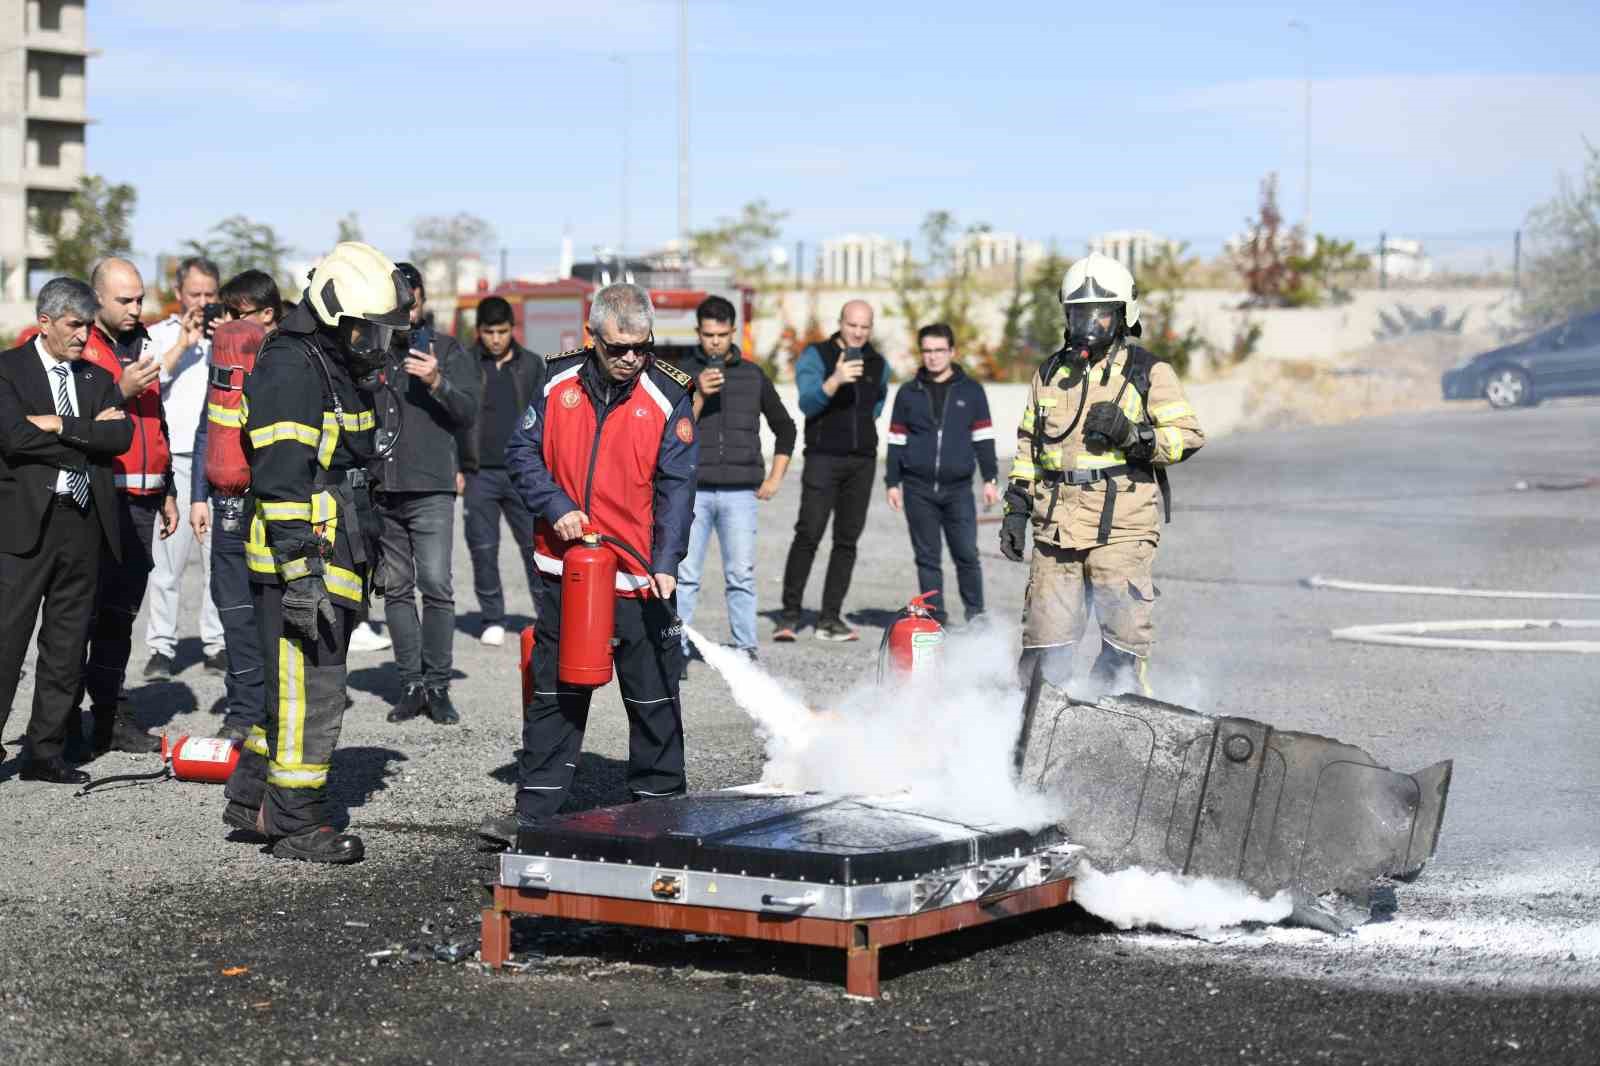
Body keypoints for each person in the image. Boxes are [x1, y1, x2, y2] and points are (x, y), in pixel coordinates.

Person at [477, 283, 696, 848]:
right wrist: (558, 508)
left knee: (654, 701)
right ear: (591, 337)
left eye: (641, 347)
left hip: (640, 582)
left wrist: (668, 560)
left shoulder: (669, 397)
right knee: (555, 696)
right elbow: (520, 454)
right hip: (567, 577)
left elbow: (677, 489)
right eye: (618, 347)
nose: (630, 359)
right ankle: (536, 816)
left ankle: (660, 815)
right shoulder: (555, 383)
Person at [220, 241, 411, 864]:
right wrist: (300, 572)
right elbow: (280, 479)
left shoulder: (331, 364)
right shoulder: (293, 368)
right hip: (301, 559)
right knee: (312, 689)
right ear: (333, 313)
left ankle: (252, 801)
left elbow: (352, 463)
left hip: (336, 549)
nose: (374, 343)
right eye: (366, 330)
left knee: (289, 687)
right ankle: (296, 823)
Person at [1000, 253, 1205, 695]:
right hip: (1056, 531)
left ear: (1123, 315)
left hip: (1121, 531)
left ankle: (1121, 742)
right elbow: (1027, 446)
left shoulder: (1147, 371)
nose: (1086, 325)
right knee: (1042, 654)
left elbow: (1187, 437)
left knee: (1121, 651)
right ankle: (1031, 743)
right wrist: (1016, 508)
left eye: (1099, 315)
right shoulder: (1051, 373)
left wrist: (1134, 436)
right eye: (1077, 315)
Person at [0, 278, 134, 783]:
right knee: (6, 639)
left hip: (82, 524)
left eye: (87, 326)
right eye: (74, 326)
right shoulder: (7, 370)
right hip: (22, 527)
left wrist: (57, 425)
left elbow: (119, 436)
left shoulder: (97, 378)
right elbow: (12, 439)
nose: (82, 336)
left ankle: (45, 752)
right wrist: (87, 435)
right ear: (45, 323)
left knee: (66, 643)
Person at [74, 259, 178, 756]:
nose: (137, 309)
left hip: (142, 502)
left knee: (120, 616)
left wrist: (170, 489)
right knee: (80, 617)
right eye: (125, 300)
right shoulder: (80, 349)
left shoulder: (145, 345)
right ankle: (62, 722)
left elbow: (157, 422)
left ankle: (110, 716)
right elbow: (69, 423)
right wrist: (120, 390)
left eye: (140, 298)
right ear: (97, 302)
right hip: (96, 501)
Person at [374, 262, 478, 726]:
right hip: (384, 487)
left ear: (420, 297)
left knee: (435, 585)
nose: (403, 308)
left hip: (432, 486)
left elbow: (469, 412)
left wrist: (437, 381)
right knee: (395, 589)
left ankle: (437, 686)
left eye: (408, 299)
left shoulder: (449, 350)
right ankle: (410, 684)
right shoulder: (369, 350)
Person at [676, 295, 796, 672]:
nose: (714, 342)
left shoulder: (752, 375)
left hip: (741, 492)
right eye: (708, 334)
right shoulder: (681, 374)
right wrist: (697, 397)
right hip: (693, 491)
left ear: (734, 333)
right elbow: (670, 433)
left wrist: (775, 477)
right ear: (698, 332)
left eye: (722, 334)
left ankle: (745, 648)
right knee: (684, 576)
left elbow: (786, 428)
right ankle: (674, 649)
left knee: (741, 574)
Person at [190, 269, 284, 743]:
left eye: (237, 313)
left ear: (269, 315)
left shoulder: (291, 360)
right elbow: (208, 426)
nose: (225, 322)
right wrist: (197, 497)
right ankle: (243, 708)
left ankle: (274, 708)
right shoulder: (224, 353)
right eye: (225, 313)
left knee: (270, 612)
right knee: (232, 609)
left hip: (272, 507)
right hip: (227, 501)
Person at [775, 300, 889, 642]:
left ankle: (830, 618)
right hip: (823, 458)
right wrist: (835, 379)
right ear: (839, 322)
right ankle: (790, 615)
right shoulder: (816, 355)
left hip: (862, 462)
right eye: (852, 325)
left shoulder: (878, 363)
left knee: (847, 541)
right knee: (809, 533)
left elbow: (878, 405)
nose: (858, 332)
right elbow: (807, 403)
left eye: (864, 326)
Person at [884, 323, 998, 626]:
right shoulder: (908, 393)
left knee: (966, 555)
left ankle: (976, 617)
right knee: (927, 558)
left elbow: (983, 437)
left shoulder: (972, 391)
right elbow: (896, 440)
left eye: (938, 350)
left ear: (951, 352)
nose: (932, 357)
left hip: (958, 489)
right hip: (917, 488)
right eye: (927, 351)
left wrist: (990, 478)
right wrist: (891, 482)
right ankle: (935, 619)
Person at [143, 256, 225, 677]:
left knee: (218, 559)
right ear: (178, 294)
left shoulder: (228, 335)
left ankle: (217, 643)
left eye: (211, 294)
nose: (203, 302)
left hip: (216, 459)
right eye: (196, 294)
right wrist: (186, 345)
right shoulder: (157, 335)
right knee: (167, 560)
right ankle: (161, 646)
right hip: (173, 459)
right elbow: (149, 381)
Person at [457, 295, 546, 647]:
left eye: (502, 331)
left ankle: (548, 617)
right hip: (479, 473)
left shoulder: (532, 365)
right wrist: (456, 467)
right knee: (482, 547)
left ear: (513, 329)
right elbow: (453, 419)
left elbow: (547, 417)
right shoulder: (464, 363)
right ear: (478, 331)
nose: (496, 338)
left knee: (535, 547)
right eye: (489, 331)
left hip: (523, 472)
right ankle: (493, 617)